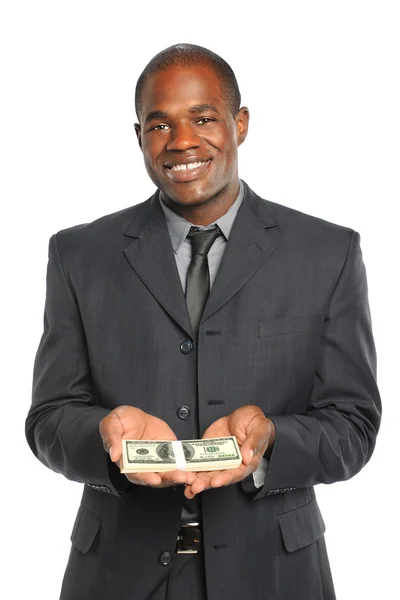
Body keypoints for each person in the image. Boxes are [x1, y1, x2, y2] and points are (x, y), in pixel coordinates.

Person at [25, 43, 381, 600]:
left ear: (240, 123)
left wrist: (272, 441)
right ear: (138, 135)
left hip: (275, 576)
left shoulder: (326, 253)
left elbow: (354, 427)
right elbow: (48, 420)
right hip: (115, 576)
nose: (182, 141)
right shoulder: (79, 255)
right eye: (159, 123)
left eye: (204, 117)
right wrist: (106, 439)